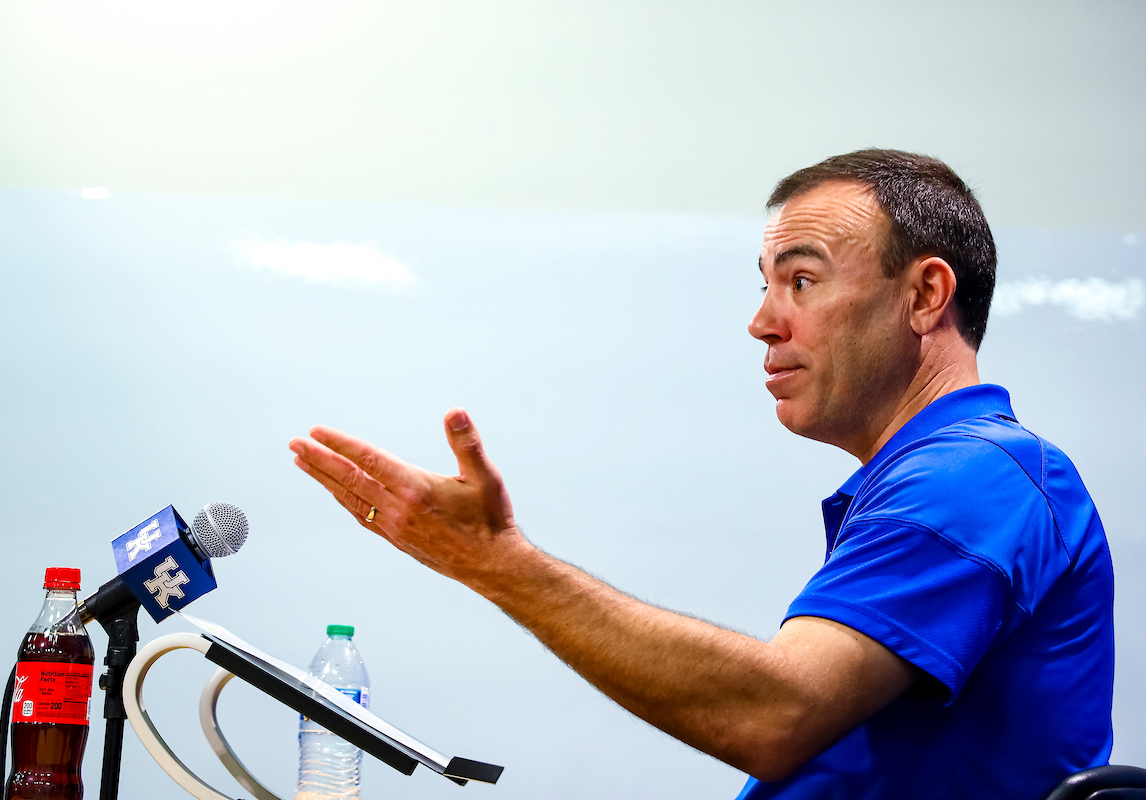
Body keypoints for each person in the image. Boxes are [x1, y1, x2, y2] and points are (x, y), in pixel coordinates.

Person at [288, 149, 1114, 799]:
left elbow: (774, 713)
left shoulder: (978, 478)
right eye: (766, 285)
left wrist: (500, 564)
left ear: (926, 294)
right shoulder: (947, 480)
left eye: (802, 281)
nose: (762, 322)